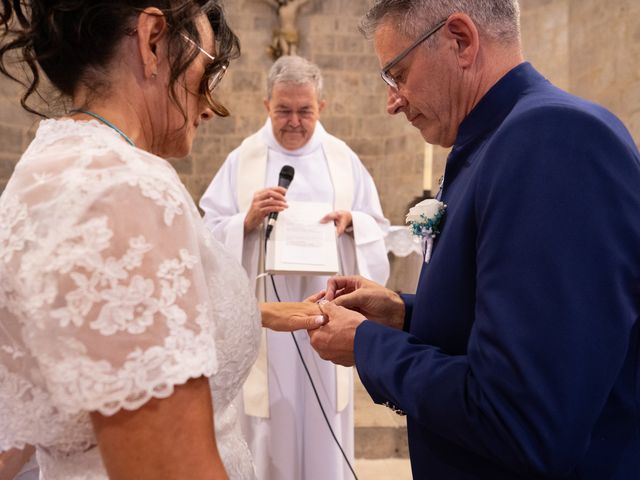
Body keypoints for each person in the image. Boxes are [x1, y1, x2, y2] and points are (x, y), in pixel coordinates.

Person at [309, 1, 640, 479]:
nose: (393, 101)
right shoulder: (494, 142)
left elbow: (521, 415)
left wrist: (368, 346)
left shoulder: (553, 139)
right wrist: (404, 315)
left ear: (460, 40)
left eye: (398, 74)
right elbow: (522, 330)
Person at [0, 2, 323, 479]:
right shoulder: (124, 188)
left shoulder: (50, 163)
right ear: (152, 41)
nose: (212, 105)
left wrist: (265, 314)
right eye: (207, 69)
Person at [200, 54, 390, 480]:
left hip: (327, 313)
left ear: (321, 106)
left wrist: (352, 224)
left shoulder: (342, 158)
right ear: (266, 104)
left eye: (304, 110)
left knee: (323, 414)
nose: (294, 121)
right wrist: (245, 221)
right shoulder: (244, 158)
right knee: (269, 415)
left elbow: (376, 226)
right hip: (268, 322)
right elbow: (208, 232)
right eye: (283, 110)